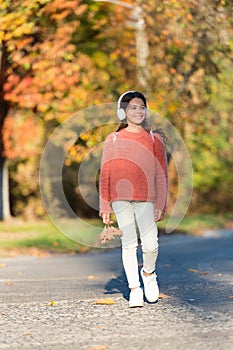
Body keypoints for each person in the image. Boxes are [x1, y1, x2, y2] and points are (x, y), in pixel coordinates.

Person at [99, 91, 168, 307]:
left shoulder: (153, 139)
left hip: (146, 198)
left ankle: (148, 274)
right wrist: (104, 205)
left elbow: (162, 174)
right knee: (128, 243)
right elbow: (105, 173)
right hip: (120, 199)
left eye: (141, 107)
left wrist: (161, 204)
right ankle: (134, 288)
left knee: (150, 245)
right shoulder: (114, 139)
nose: (138, 111)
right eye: (132, 108)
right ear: (123, 112)